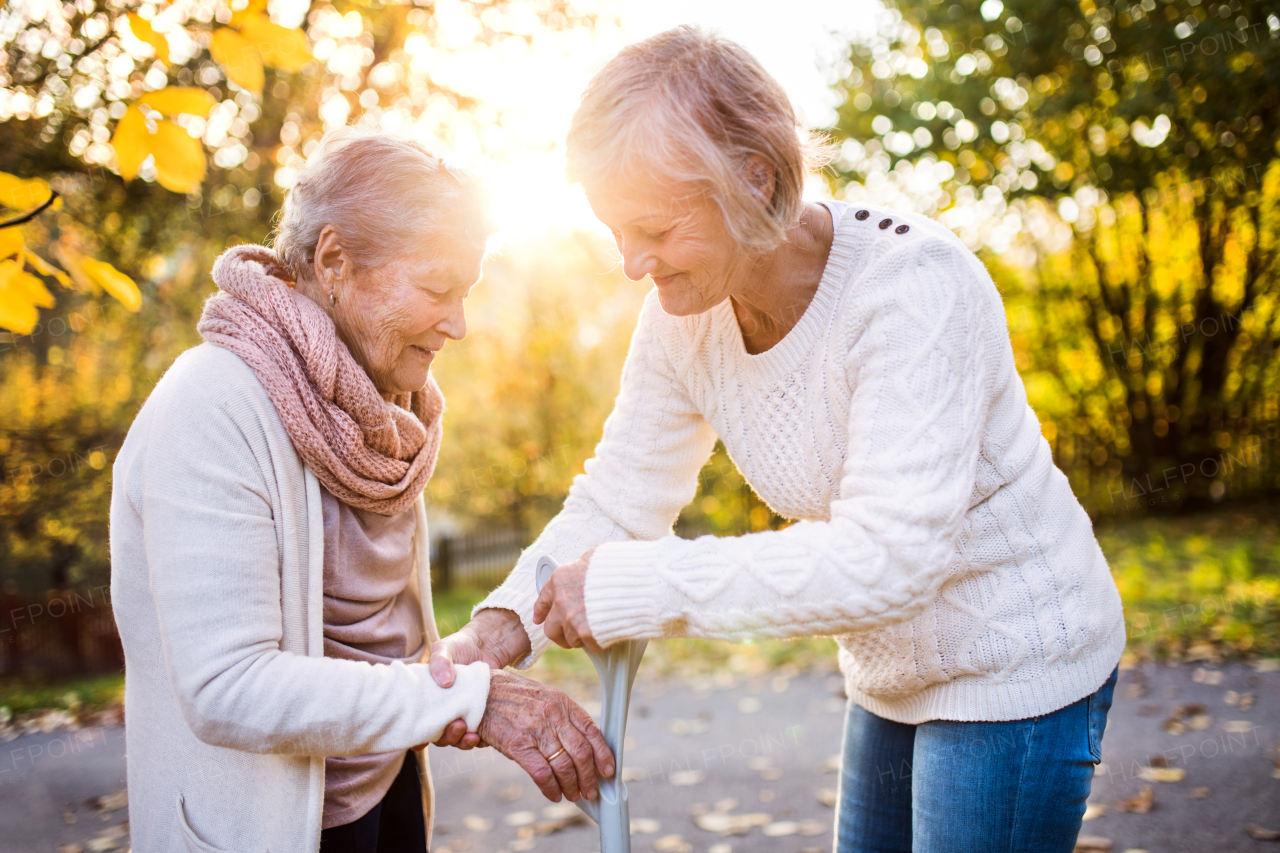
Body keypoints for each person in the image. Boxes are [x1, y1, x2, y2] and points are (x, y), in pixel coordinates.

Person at [429, 27, 1124, 853]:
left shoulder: (914, 291)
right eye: (615, 230)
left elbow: (890, 560)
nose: (630, 263)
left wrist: (638, 585)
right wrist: (499, 627)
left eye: (652, 227)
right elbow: (621, 495)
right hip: (890, 677)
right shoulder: (682, 317)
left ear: (754, 178)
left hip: (1014, 665)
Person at [110, 128, 612, 853]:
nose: (459, 324)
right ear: (334, 260)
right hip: (266, 830)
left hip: (387, 791)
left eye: (465, 293)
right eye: (438, 289)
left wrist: (474, 657)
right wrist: (469, 699)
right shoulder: (211, 405)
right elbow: (228, 686)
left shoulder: (382, 407)